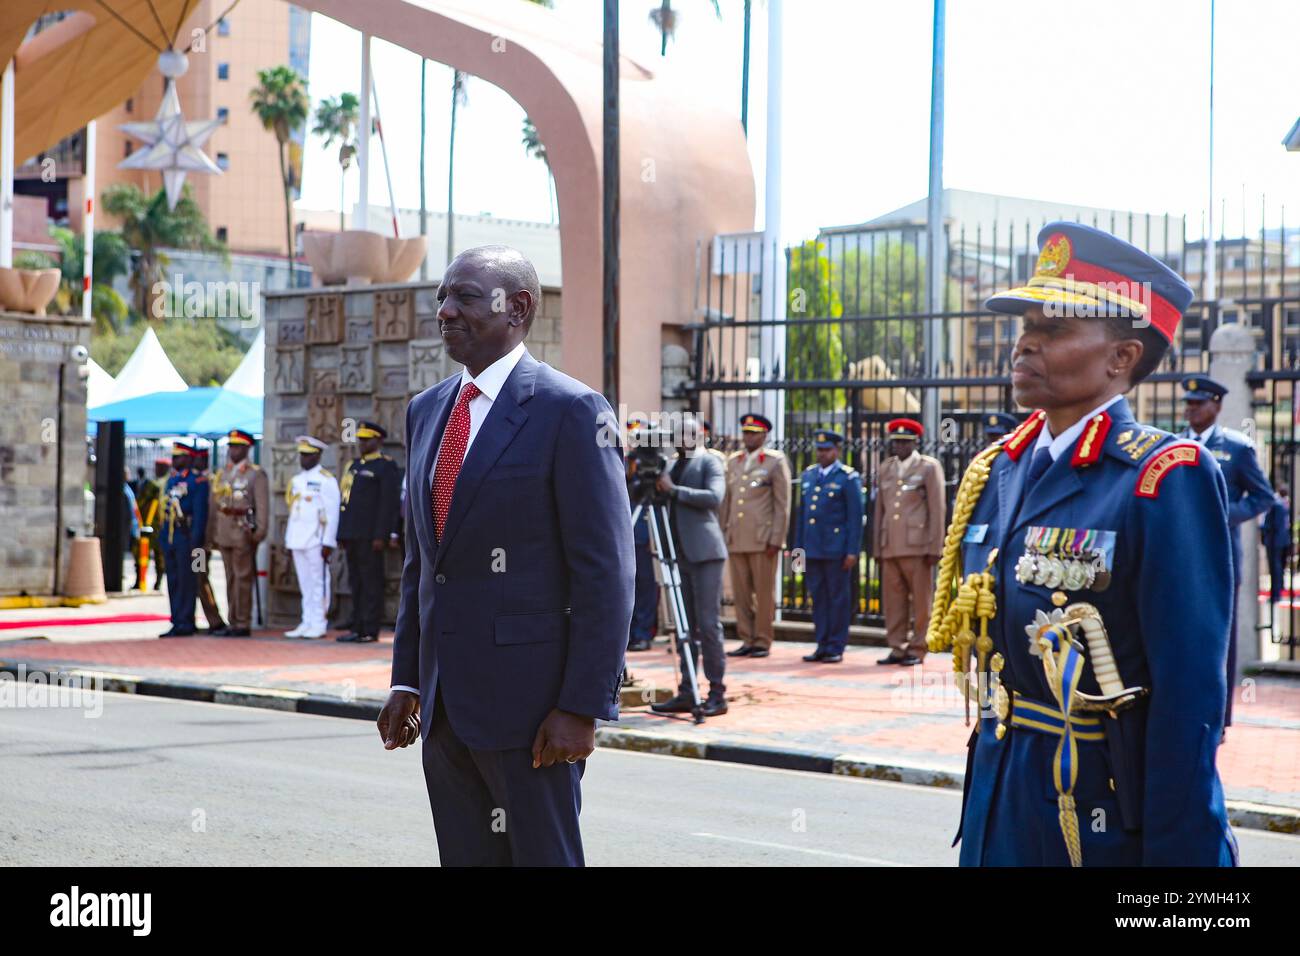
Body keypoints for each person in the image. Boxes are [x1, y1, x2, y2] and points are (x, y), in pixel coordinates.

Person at [930, 221, 1236, 866]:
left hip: (1097, 803)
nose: (1025, 348)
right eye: (1025, 331)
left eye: (1054, 331)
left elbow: (1189, 699)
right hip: (1000, 784)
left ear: (1121, 357)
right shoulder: (999, 469)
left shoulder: (1161, 477)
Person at [375, 245, 633, 867]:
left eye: (464, 296)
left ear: (516, 307)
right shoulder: (427, 410)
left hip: (533, 715)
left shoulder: (570, 411)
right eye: (442, 296)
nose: (444, 311)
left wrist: (580, 706)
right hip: (442, 713)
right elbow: (424, 563)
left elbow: (607, 573)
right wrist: (408, 677)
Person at [1179, 374, 1275, 726]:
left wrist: (1224, 514)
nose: (1191, 410)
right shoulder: (1173, 446)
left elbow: (1263, 497)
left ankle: (1219, 718)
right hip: (1179, 556)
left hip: (1220, 558)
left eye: (1198, 404)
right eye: (1188, 404)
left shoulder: (1235, 448)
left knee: (1222, 641)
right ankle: (1184, 711)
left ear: (1216, 406)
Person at [649, 417, 730, 717]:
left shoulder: (709, 462)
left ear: (701, 434)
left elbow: (714, 498)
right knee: (683, 625)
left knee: (707, 626)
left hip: (706, 552)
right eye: (678, 433)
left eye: (688, 433)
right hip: (676, 552)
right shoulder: (669, 464)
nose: (682, 438)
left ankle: (716, 693)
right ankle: (687, 689)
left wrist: (674, 490)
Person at [872, 417, 945, 666]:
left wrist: (936, 546)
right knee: (893, 601)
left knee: (921, 602)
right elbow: (879, 509)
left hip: (918, 545)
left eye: (905, 441)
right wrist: (877, 545)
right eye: (896, 442)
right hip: (890, 543)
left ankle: (918, 647)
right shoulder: (885, 468)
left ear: (915, 442)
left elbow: (937, 508)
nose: (900, 446)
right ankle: (897, 646)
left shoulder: (928, 467)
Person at [720, 412, 791, 659]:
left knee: (763, 593)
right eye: (746, 433)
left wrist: (777, 538)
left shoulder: (774, 461)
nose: (748, 437)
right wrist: (723, 532)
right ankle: (747, 638)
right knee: (740, 593)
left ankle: (762, 640)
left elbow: (782, 505)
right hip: (737, 536)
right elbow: (727, 502)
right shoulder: (734, 461)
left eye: (754, 433)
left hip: (763, 539)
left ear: (764, 435)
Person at [795, 430, 864, 663]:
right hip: (812, 548)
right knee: (819, 598)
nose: (822, 454)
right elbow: (801, 516)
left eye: (826, 450)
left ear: (837, 451)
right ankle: (821, 644)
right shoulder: (809, 475)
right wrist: (798, 551)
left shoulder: (848, 477)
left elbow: (855, 518)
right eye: (819, 449)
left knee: (837, 599)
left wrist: (852, 551)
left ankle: (836, 646)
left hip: (836, 550)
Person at [335, 421, 400, 643]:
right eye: (360, 439)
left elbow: (388, 504)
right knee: (355, 581)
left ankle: (370, 628)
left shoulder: (385, 466)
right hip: (352, 534)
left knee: (371, 582)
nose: (362, 443)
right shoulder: (352, 465)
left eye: (366, 439)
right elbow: (345, 501)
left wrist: (383, 535)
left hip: (371, 535)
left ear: (378, 440)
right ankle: (357, 625)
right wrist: (341, 533)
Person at [207, 429, 269, 637]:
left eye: (237, 446)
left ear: (246, 448)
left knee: (243, 578)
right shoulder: (223, 473)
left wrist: (259, 533)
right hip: (225, 532)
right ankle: (233, 620)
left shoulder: (255, 474)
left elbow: (262, 506)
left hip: (243, 531)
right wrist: (213, 533)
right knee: (230, 578)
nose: (232, 450)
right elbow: (216, 505)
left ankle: (242, 622)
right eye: (230, 446)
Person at [284, 435, 339, 640]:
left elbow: (332, 514)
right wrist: (289, 541)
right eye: (302, 455)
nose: (303, 459)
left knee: (319, 583)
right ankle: (307, 621)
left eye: (308, 455)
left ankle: (319, 622)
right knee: (305, 583)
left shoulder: (326, 480)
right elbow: (294, 513)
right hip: (298, 539)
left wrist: (328, 542)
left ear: (317, 456)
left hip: (316, 540)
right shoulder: (297, 481)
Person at [160, 442, 208, 638]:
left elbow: (200, 515)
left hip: (188, 539)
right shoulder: (172, 481)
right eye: (173, 456)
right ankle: (176, 619)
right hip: (172, 537)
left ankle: (187, 621)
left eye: (178, 456)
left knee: (189, 581)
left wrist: (195, 544)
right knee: (173, 580)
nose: (174, 460)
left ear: (188, 458)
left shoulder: (198, 482)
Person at [625, 415, 659, 653]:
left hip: (647, 531)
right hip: (627, 529)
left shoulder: (656, 461)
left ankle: (644, 632)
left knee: (646, 586)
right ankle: (630, 632)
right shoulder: (626, 459)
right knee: (629, 585)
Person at [190, 446, 226, 634]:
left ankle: (214, 620)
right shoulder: (197, 481)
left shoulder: (207, 483)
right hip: (197, 541)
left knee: (200, 579)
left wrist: (207, 540)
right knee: (197, 580)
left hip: (201, 543)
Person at [136, 457, 170, 590]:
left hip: (151, 524)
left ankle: (142, 581)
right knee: (159, 555)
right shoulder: (170, 482)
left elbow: (141, 502)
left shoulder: (155, 484)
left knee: (143, 553)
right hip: (162, 526)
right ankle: (157, 582)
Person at [1263, 484, 1291, 606]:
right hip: (1282, 540)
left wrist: (1263, 529)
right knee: (1279, 567)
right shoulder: (1283, 505)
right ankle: (1279, 590)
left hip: (1275, 541)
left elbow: (1274, 525)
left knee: (1275, 568)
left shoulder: (1277, 505)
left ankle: (1276, 594)